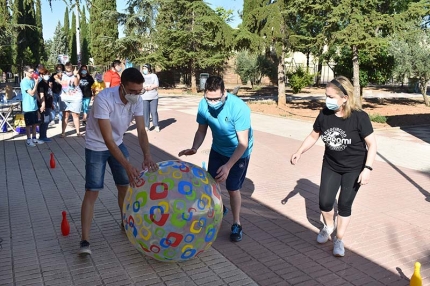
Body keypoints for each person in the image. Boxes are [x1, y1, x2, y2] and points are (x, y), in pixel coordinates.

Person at [290, 76, 377, 257]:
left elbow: (372, 145)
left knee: (345, 204)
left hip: (354, 168)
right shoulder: (325, 114)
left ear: (345, 97)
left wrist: (367, 169)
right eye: (326, 96)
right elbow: (314, 136)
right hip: (331, 165)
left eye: (331, 97)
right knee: (325, 202)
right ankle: (328, 226)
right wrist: (299, 151)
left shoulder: (359, 117)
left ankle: (339, 239)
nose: (327, 100)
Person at [79, 67, 158, 255]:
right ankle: (84, 240)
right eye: (132, 91)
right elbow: (107, 140)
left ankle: (126, 223)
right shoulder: (104, 99)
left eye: (139, 91)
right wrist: (128, 165)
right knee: (93, 190)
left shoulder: (137, 100)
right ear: (121, 86)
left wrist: (147, 155)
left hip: (118, 142)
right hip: (97, 145)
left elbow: (141, 131)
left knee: (124, 187)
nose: (136, 95)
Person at [178, 76, 253, 242]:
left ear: (224, 93)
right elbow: (201, 130)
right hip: (218, 149)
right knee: (210, 183)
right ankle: (220, 208)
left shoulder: (239, 108)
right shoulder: (203, 105)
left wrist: (228, 166)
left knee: (233, 188)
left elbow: (243, 144)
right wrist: (195, 147)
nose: (212, 103)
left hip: (238, 152)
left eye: (216, 99)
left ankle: (236, 224)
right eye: (209, 98)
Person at [54, 62, 82, 137]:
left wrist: (75, 75)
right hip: (65, 97)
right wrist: (60, 82)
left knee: (75, 115)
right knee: (65, 115)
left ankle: (78, 132)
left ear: (72, 68)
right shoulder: (62, 74)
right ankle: (63, 132)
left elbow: (76, 84)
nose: (68, 72)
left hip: (75, 97)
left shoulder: (76, 74)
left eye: (70, 70)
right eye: (67, 70)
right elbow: (55, 76)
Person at [20, 65, 44, 147]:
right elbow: (31, 93)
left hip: (34, 106)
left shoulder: (33, 80)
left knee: (35, 123)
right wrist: (36, 83)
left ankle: (34, 138)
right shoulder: (24, 82)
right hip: (28, 106)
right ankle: (28, 139)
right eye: (30, 72)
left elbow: (36, 93)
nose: (32, 73)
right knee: (28, 124)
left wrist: (40, 102)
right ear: (25, 72)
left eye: (33, 71)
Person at [141, 64, 160, 132]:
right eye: (143, 68)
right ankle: (146, 126)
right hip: (144, 97)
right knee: (145, 112)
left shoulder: (154, 75)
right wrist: (144, 87)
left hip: (153, 96)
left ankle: (156, 125)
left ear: (149, 69)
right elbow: (140, 84)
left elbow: (156, 84)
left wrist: (151, 87)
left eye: (145, 68)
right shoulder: (142, 76)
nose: (144, 70)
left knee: (154, 111)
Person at [37, 68, 54, 142]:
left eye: (48, 74)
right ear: (41, 75)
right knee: (45, 120)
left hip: (48, 104)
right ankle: (42, 136)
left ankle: (43, 135)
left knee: (48, 119)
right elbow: (41, 95)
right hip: (44, 105)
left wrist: (51, 103)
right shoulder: (41, 84)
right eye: (45, 74)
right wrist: (43, 104)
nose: (47, 76)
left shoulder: (47, 83)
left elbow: (49, 94)